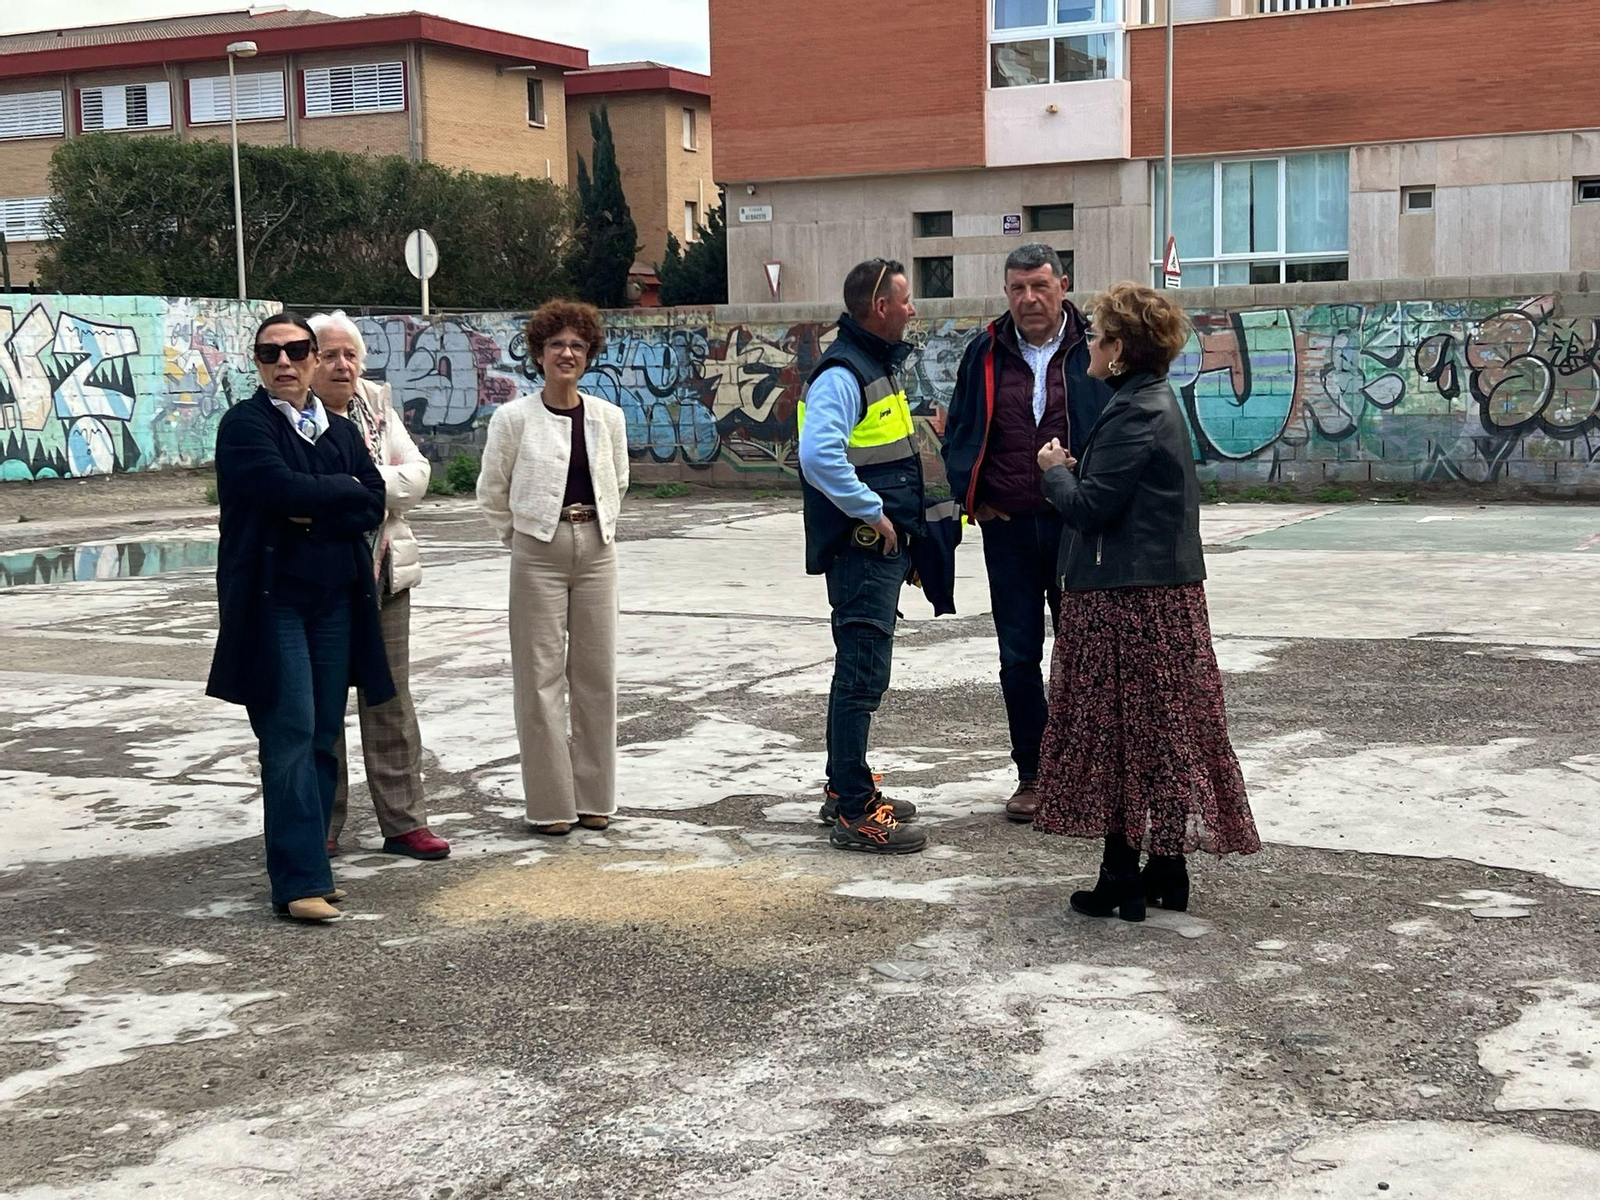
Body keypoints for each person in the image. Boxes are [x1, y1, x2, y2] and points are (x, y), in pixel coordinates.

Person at [1032, 282, 1261, 921]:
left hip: (1128, 604)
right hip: (1152, 597)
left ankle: (1121, 878)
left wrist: (1054, 470)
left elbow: (1090, 508)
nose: (1090, 345)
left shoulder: (1137, 411)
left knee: (1119, 737)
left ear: (1124, 351)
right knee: (1156, 732)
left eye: (1100, 336)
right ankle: (1165, 868)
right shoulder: (1146, 403)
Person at [206, 312, 394, 924]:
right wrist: (331, 495)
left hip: (335, 600)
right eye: (270, 354)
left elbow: (371, 500)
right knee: (286, 731)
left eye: (295, 351)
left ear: (314, 359)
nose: (283, 362)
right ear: (257, 364)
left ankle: (312, 865)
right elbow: (276, 489)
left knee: (321, 735)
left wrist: (318, 506)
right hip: (273, 602)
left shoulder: (338, 430)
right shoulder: (244, 426)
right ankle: (298, 881)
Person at [942, 245, 1112, 824]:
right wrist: (977, 497)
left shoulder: (1095, 346)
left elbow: (1117, 425)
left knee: (1082, 652)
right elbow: (960, 428)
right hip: (1009, 530)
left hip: (1077, 528)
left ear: (1063, 284)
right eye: (1018, 288)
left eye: (1040, 286)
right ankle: (1033, 774)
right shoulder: (985, 351)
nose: (1029, 299)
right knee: (1018, 657)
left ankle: (1085, 772)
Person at [476, 300, 628, 836]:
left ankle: (594, 799)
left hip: (598, 548)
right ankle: (550, 805)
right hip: (536, 550)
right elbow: (492, 490)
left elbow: (620, 480)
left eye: (578, 346)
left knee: (596, 677)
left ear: (589, 356)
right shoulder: (513, 419)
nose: (567, 353)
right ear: (539, 354)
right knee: (538, 680)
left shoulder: (608, 417)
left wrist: (599, 523)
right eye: (557, 345)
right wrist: (519, 538)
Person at [797, 259, 929, 855]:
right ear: (880, 307)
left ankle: (843, 787)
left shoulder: (875, 364)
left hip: (878, 553)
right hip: (861, 552)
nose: (911, 309)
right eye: (905, 299)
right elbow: (819, 456)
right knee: (859, 676)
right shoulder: (844, 372)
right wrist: (872, 512)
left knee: (861, 673)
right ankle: (853, 810)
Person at [309, 310, 450, 862]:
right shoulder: (295, 411)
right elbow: (301, 489)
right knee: (321, 706)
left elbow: (416, 474)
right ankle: (321, 824)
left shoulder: (376, 404)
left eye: (350, 355)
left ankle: (404, 822)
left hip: (385, 574)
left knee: (389, 699)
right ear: (307, 360)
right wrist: (364, 488)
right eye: (329, 354)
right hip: (321, 578)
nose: (342, 365)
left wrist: (352, 488)